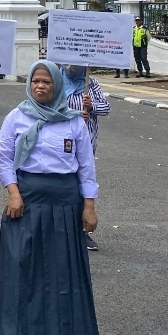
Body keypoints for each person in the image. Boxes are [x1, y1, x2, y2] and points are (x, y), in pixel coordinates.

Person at [0, 60, 99, 335]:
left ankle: (65, 333)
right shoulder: (17, 117)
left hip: (65, 203)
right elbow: (3, 157)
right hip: (26, 200)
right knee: (23, 266)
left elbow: (86, 166)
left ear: (57, 85)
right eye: (35, 81)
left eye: (47, 81)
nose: (40, 86)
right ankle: (21, 333)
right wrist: (13, 193)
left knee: (62, 270)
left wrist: (89, 206)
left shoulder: (74, 120)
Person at [61, 64, 110, 251]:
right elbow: (49, 108)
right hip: (63, 144)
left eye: (78, 64)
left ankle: (83, 230)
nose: (73, 67)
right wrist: (73, 114)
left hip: (87, 143)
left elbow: (105, 109)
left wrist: (91, 106)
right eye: (69, 63)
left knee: (84, 183)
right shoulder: (57, 82)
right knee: (66, 183)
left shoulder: (91, 84)